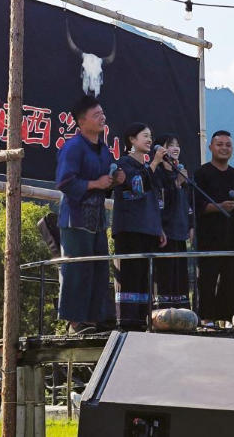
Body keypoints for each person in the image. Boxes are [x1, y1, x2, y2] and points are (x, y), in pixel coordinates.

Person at [55, 95, 124, 334]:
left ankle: (95, 320)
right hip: (75, 219)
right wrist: (96, 183)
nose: (102, 117)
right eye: (96, 115)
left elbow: (107, 181)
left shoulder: (104, 150)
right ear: (81, 122)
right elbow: (64, 182)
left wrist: (116, 180)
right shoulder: (72, 147)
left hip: (97, 220)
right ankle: (75, 322)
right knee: (77, 269)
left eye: (102, 113)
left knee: (98, 269)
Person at [193, 130, 234, 328]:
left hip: (232, 235)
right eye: (219, 144)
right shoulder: (201, 173)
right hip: (207, 237)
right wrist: (217, 207)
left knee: (232, 279)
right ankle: (206, 319)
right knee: (207, 278)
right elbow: (196, 205)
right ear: (211, 147)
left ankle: (230, 319)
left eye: (228, 145)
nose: (224, 148)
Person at [112, 122, 168, 330]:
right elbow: (137, 187)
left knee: (145, 279)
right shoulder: (123, 164)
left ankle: (143, 322)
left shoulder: (147, 168)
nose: (149, 140)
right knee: (130, 277)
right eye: (144, 136)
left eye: (150, 136)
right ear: (132, 140)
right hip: (129, 229)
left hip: (147, 230)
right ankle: (126, 323)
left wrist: (158, 227)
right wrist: (154, 163)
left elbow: (153, 201)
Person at [154, 133, 192, 310]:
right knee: (166, 275)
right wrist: (176, 184)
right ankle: (164, 315)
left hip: (180, 231)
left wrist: (191, 225)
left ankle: (182, 315)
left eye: (177, 144)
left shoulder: (181, 172)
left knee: (181, 276)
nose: (175, 148)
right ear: (161, 149)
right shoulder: (157, 174)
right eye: (170, 145)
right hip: (164, 233)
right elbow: (160, 203)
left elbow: (188, 203)